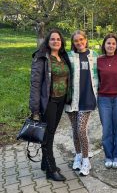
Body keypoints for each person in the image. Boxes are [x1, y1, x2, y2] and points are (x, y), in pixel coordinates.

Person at [29, 29, 72, 181]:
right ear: (48, 41)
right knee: (48, 134)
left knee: (51, 131)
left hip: (61, 100)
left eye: (58, 39)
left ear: (62, 42)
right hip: (48, 101)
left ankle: (44, 162)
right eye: (53, 39)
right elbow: (35, 84)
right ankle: (51, 169)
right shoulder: (42, 58)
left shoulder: (62, 56)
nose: (56, 41)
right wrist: (34, 108)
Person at [65, 30, 98, 176]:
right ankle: (78, 155)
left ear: (86, 40)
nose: (79, 43)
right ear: (73, 43)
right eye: (76, 41)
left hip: (87, 98)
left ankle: (86, 160)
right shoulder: (69, 56)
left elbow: (101, 74)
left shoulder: (94, 55)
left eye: (81, 39)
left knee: (81, 130)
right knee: (74, 130)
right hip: (71, 99)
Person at [97, 34, 117, 169]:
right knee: (107, 130)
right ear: (104, 45)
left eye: (113, 43)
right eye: (108, 43)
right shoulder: (98, 60)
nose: (111, 46)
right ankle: (108, 156)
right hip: (104, 99)